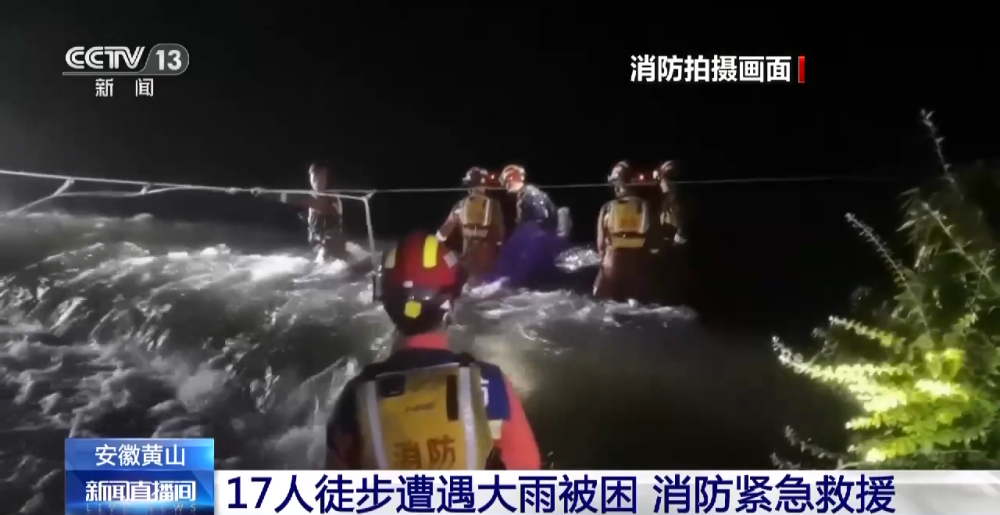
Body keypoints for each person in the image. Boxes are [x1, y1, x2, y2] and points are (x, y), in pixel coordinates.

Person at [326, 231, 541, 470]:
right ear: (451, 304)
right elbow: (528, 470)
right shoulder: (490, 385)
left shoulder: (355, 399)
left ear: (387, 303)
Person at [593, 161, 656, 303]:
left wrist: (602, 257)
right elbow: (651, 235)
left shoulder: (607, 208)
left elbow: (600, 244)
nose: (615, 186)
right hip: (637, 267)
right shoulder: (645, 205)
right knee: (636, 302)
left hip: (612, 265)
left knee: (602, 301)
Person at [435, 167, 505, 285]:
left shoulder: (463, 205)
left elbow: (444, 231)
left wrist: (433, 244)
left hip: (476, 264)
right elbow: (500, 237)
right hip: (478, 264)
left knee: (449, 258)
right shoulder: (463, 205)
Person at [269, 161, 349, 263]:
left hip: (332, 243)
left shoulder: (331, 198)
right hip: (318, 242)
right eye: (314, 179)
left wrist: (269, 194)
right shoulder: (312, 196)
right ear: (310, 179)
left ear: (326, 179)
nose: (317, 183)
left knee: (325, 254)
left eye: (321, 179)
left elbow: (295, 199)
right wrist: (308, 218)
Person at [499, 164, 560, 234]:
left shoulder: (530, 193)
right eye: (505, 181)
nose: (508, 182)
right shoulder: (523, 195)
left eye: (510, 177)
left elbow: (540, 218)